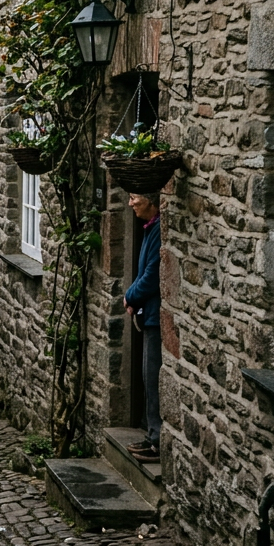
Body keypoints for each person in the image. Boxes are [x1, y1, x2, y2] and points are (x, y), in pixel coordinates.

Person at [125, 191, 162, 464]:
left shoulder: (158, 230)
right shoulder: (150, 228)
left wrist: (130, 296)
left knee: (153, 378)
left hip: (155, 318)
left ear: (150, 200)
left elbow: (151, 277)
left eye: (134, 197)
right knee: (147, 377)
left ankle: (156, 442)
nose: (130, 203)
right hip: (148, 315)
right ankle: (151, 436)